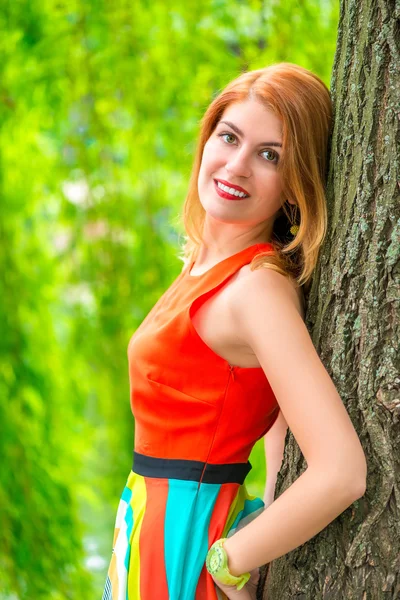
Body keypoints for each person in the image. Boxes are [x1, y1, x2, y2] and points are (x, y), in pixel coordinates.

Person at [101, 62, 367, 600]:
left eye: (270, 156)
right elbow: (273, 407)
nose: (237, 165)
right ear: (207, 141)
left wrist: (230, 560)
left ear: (295, 187)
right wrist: (267, 503)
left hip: (184, 546)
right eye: (229, 137)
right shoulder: (206, 264)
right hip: (149, 527)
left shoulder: (256, 289)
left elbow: (342, 470)